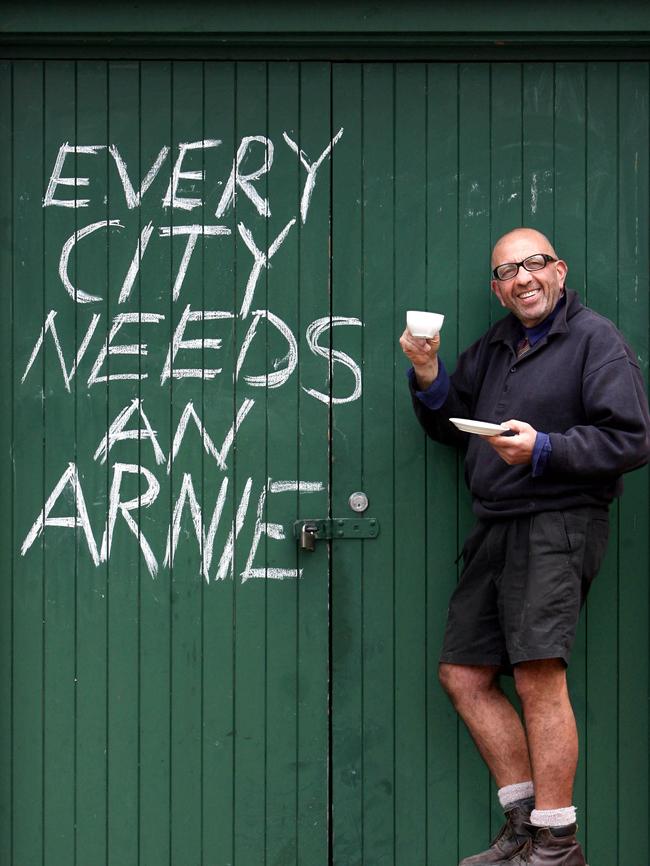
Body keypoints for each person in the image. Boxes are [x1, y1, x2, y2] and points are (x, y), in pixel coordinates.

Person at [399, 228, 650, 866]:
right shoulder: (497, 344)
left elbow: (630, 440)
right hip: (497, 524)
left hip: (558, 521)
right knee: (463, 674)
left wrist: (543, 448)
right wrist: (428, 371)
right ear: (497, 288)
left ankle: (558, 843)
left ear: (559, 271)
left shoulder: (596, 340)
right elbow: (451, 420)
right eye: (508, 272)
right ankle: (526, 824)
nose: (522, 279)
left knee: (538, 671)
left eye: (533, 265)